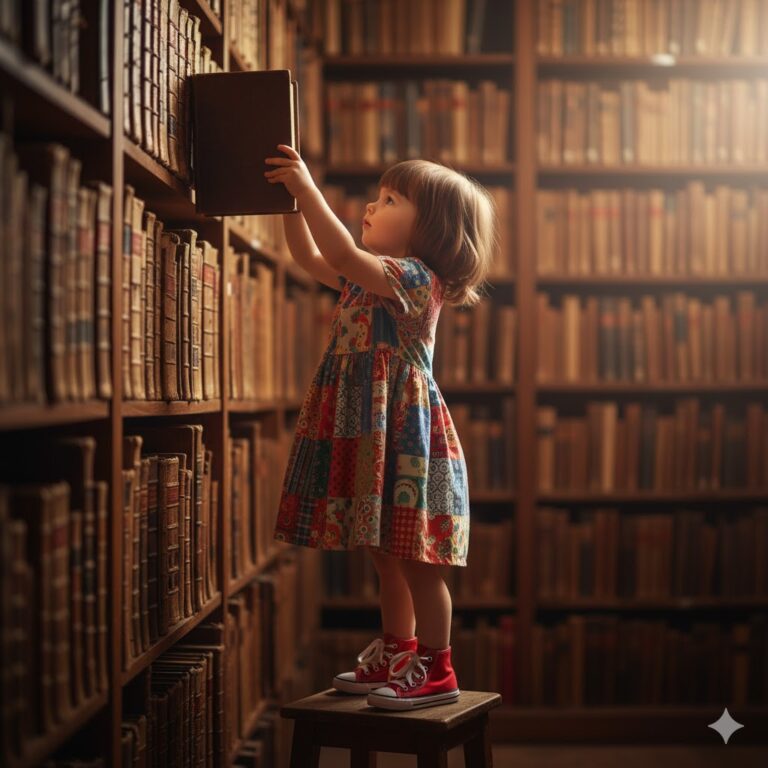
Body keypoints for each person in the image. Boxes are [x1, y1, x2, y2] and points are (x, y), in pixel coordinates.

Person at [264, 144, 498, 710]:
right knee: (384, 554)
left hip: (404, 437)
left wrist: (307, 190)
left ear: (432, 231)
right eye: (377, 195)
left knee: (419, 561)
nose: (371, 206)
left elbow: (340, 253)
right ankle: (400, 650)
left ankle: (437, 667)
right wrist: (290, 204)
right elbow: (310, 257)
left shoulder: (417, 279)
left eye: (390, 200)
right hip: (369, 433)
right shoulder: (367, 280)